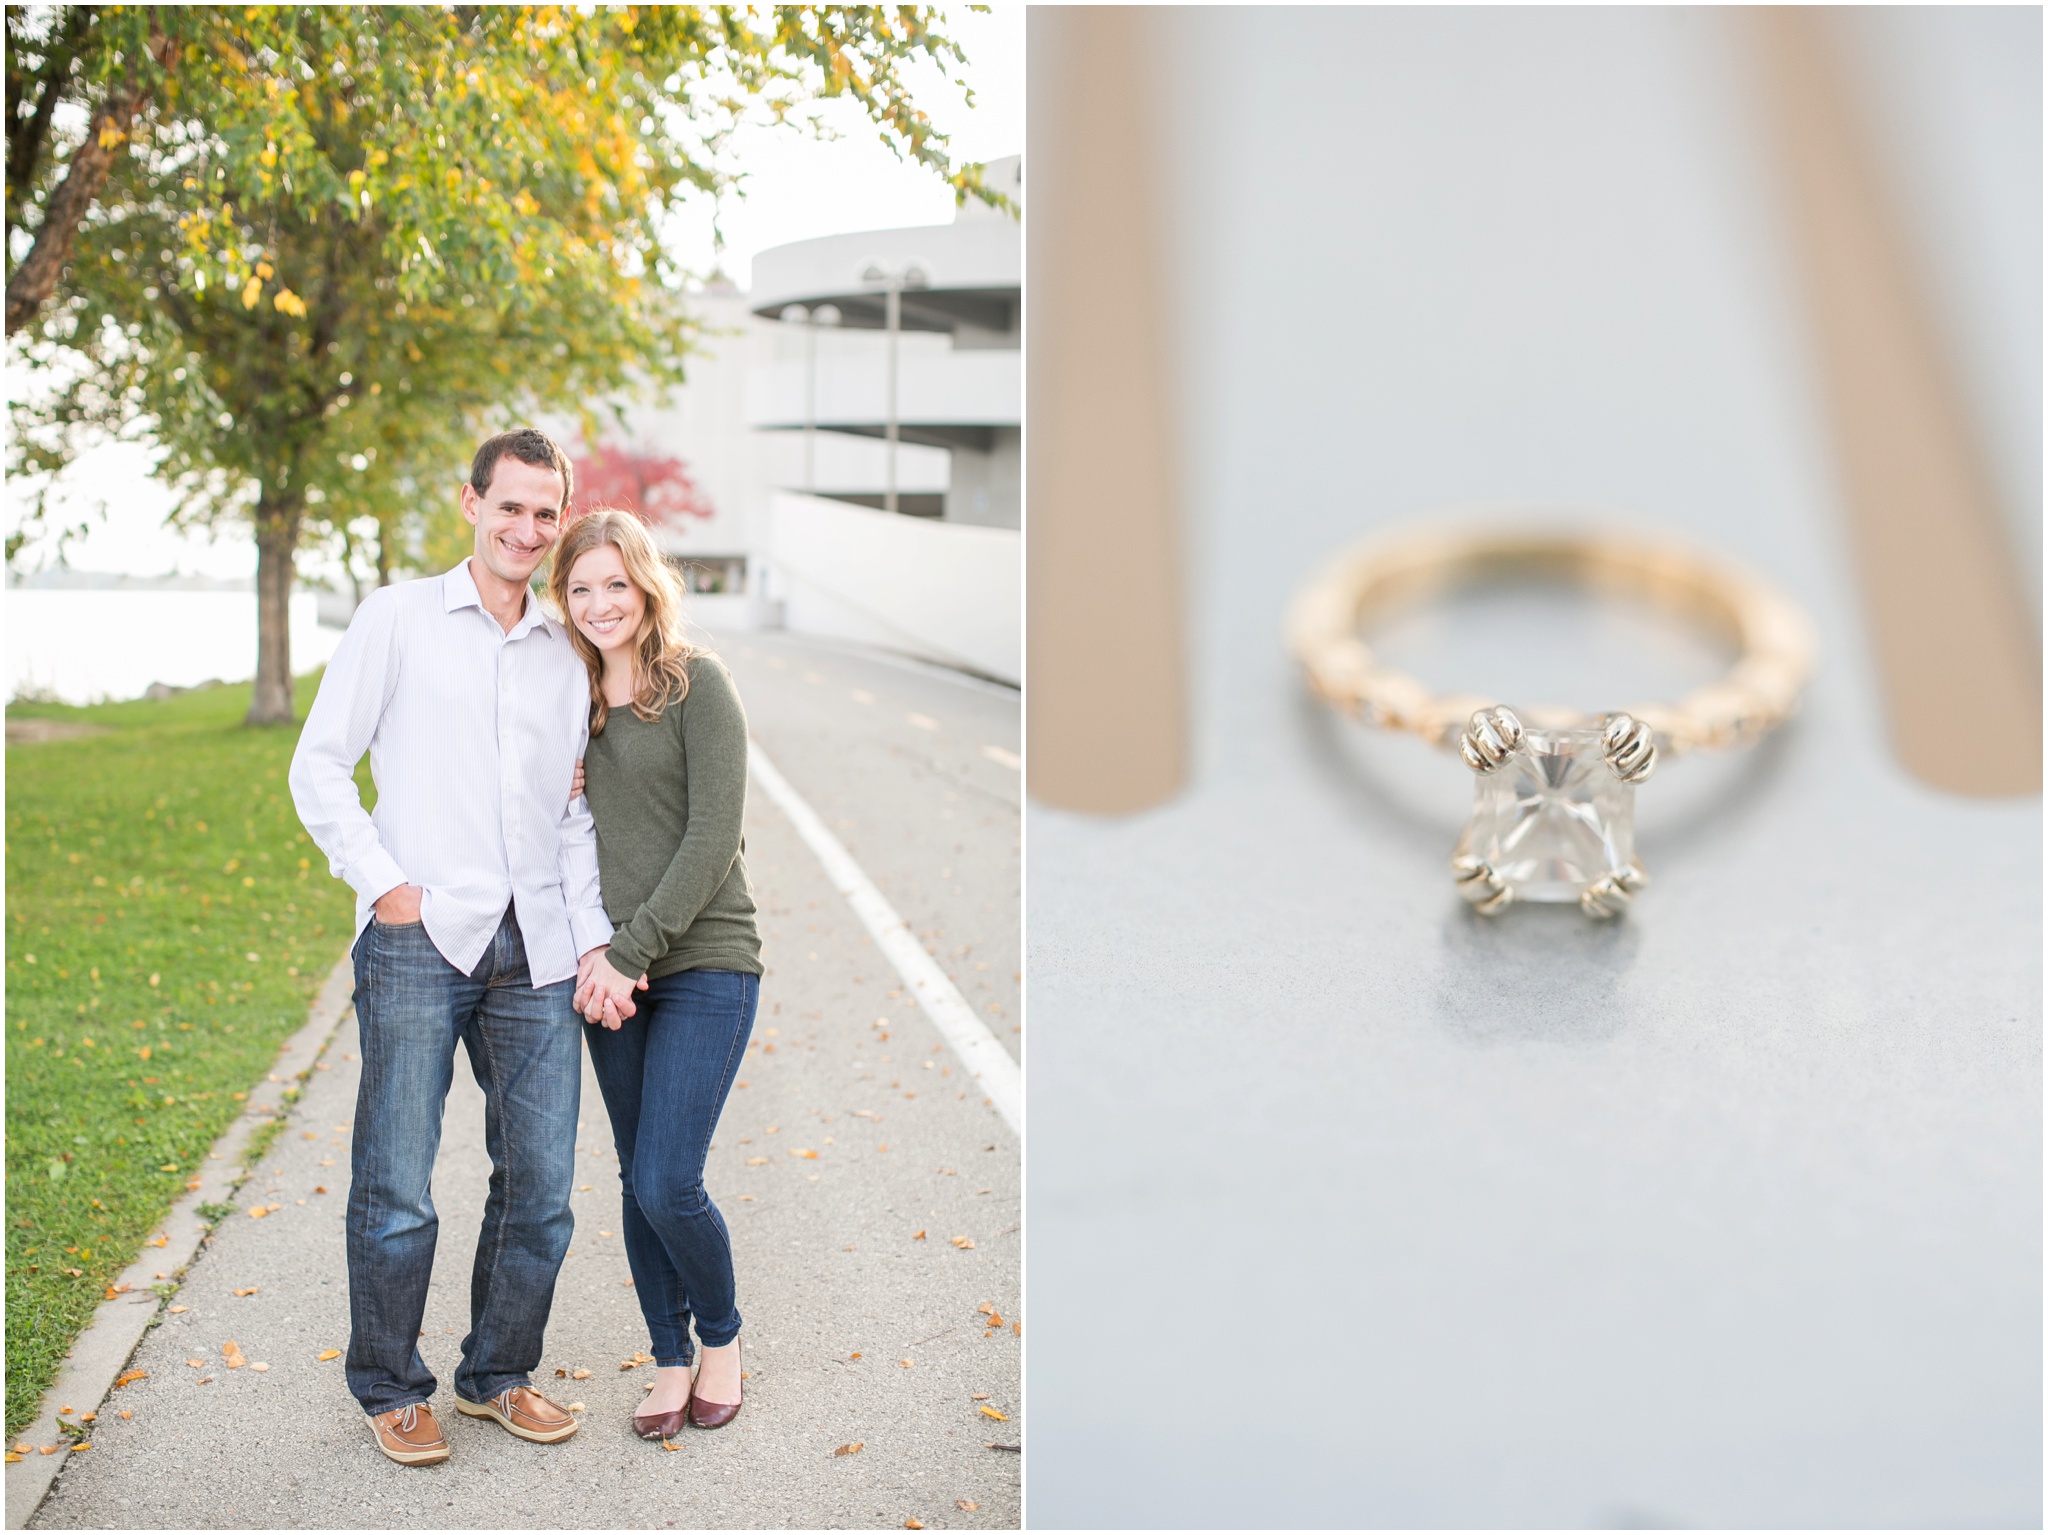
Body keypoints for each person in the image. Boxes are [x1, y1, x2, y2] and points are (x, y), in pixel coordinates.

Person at [289, 428, 621, 1466]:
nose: (526, 528)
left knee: (543, 1185)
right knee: (396, 1183)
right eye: (509, 505)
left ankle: (496, 1373)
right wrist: (386, 886)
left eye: (544, 512)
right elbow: (319, 765)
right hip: (419, 938)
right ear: (469, 502)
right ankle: (391, 1385)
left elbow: (571, 814)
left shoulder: (567, 648)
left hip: (538, 946)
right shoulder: (397, 618)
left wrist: (593, 938)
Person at [549, 508, 763, 1441]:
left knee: (671, 1178)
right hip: (609, 971)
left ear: (645, 585)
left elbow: (714, 836)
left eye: (613, 584)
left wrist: (629, 954)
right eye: (579, 587)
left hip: (704, 958)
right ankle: (667, 1357)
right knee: (637, 1175)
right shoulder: (569, 702)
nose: (599, 603)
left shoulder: (697, 687)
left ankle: (719, 1339)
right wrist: (596, 955)